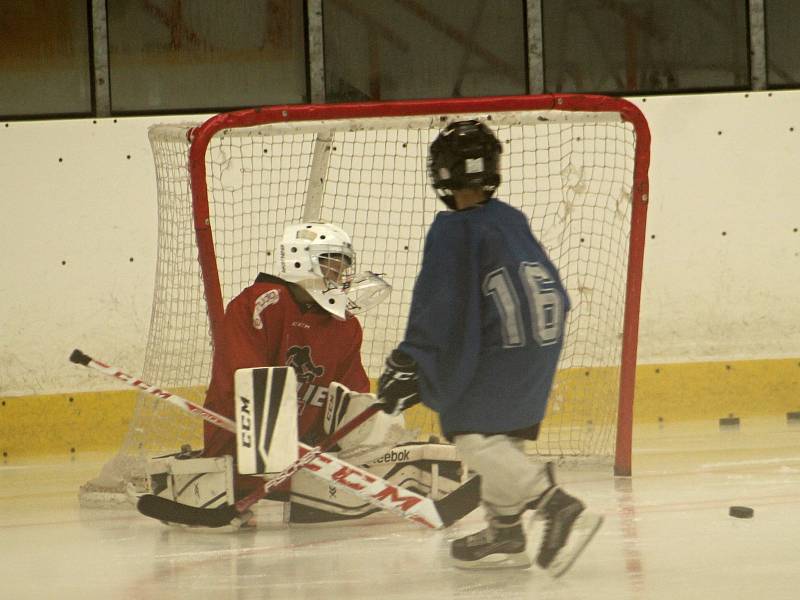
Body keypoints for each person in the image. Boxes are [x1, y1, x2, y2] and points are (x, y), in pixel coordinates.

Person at [377, 120, 603, 575]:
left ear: (440, 174)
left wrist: (411, 361)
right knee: (502, 438)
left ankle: (556, 505)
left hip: (506, 345)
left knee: (472, 434)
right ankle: (505, 533)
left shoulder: (453, 230)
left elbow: (442, 306)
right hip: (538, 344)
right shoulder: (510, 218)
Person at [202, 221, 372, 502]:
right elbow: (246, 384)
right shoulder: (259, 303)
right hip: (236, 461)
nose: (340, 274)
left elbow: (352, 397)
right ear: (301, 259)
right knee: (264, 389)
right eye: (332, 263)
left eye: (343, 267)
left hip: (304, 468)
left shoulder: (345, 326)